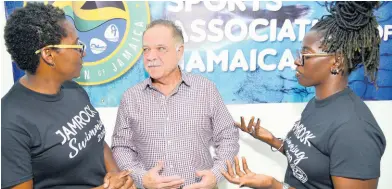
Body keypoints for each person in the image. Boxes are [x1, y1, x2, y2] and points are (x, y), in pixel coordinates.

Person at [221, 2, 386, 189]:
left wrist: (275, 186)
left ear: (336, 61)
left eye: (306, 55)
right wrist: (271, 140)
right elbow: (313, 161)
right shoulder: (318, 103)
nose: (297, 61)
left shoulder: (355, 130)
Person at [1, 3, 135, 189]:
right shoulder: (10, 120)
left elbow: (95, 139)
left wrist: (114, 174)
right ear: (49, 54)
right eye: (75, 46)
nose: (83, 52)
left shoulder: (74, 90)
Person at [111, 19, 239, 189]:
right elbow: (121, 147)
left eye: (161, 49)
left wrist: (215, 175)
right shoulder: (131, 98)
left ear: (179, 51)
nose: (150, 56)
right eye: (146, 50)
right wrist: (141, 178)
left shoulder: (205, 89)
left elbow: (228, 136)